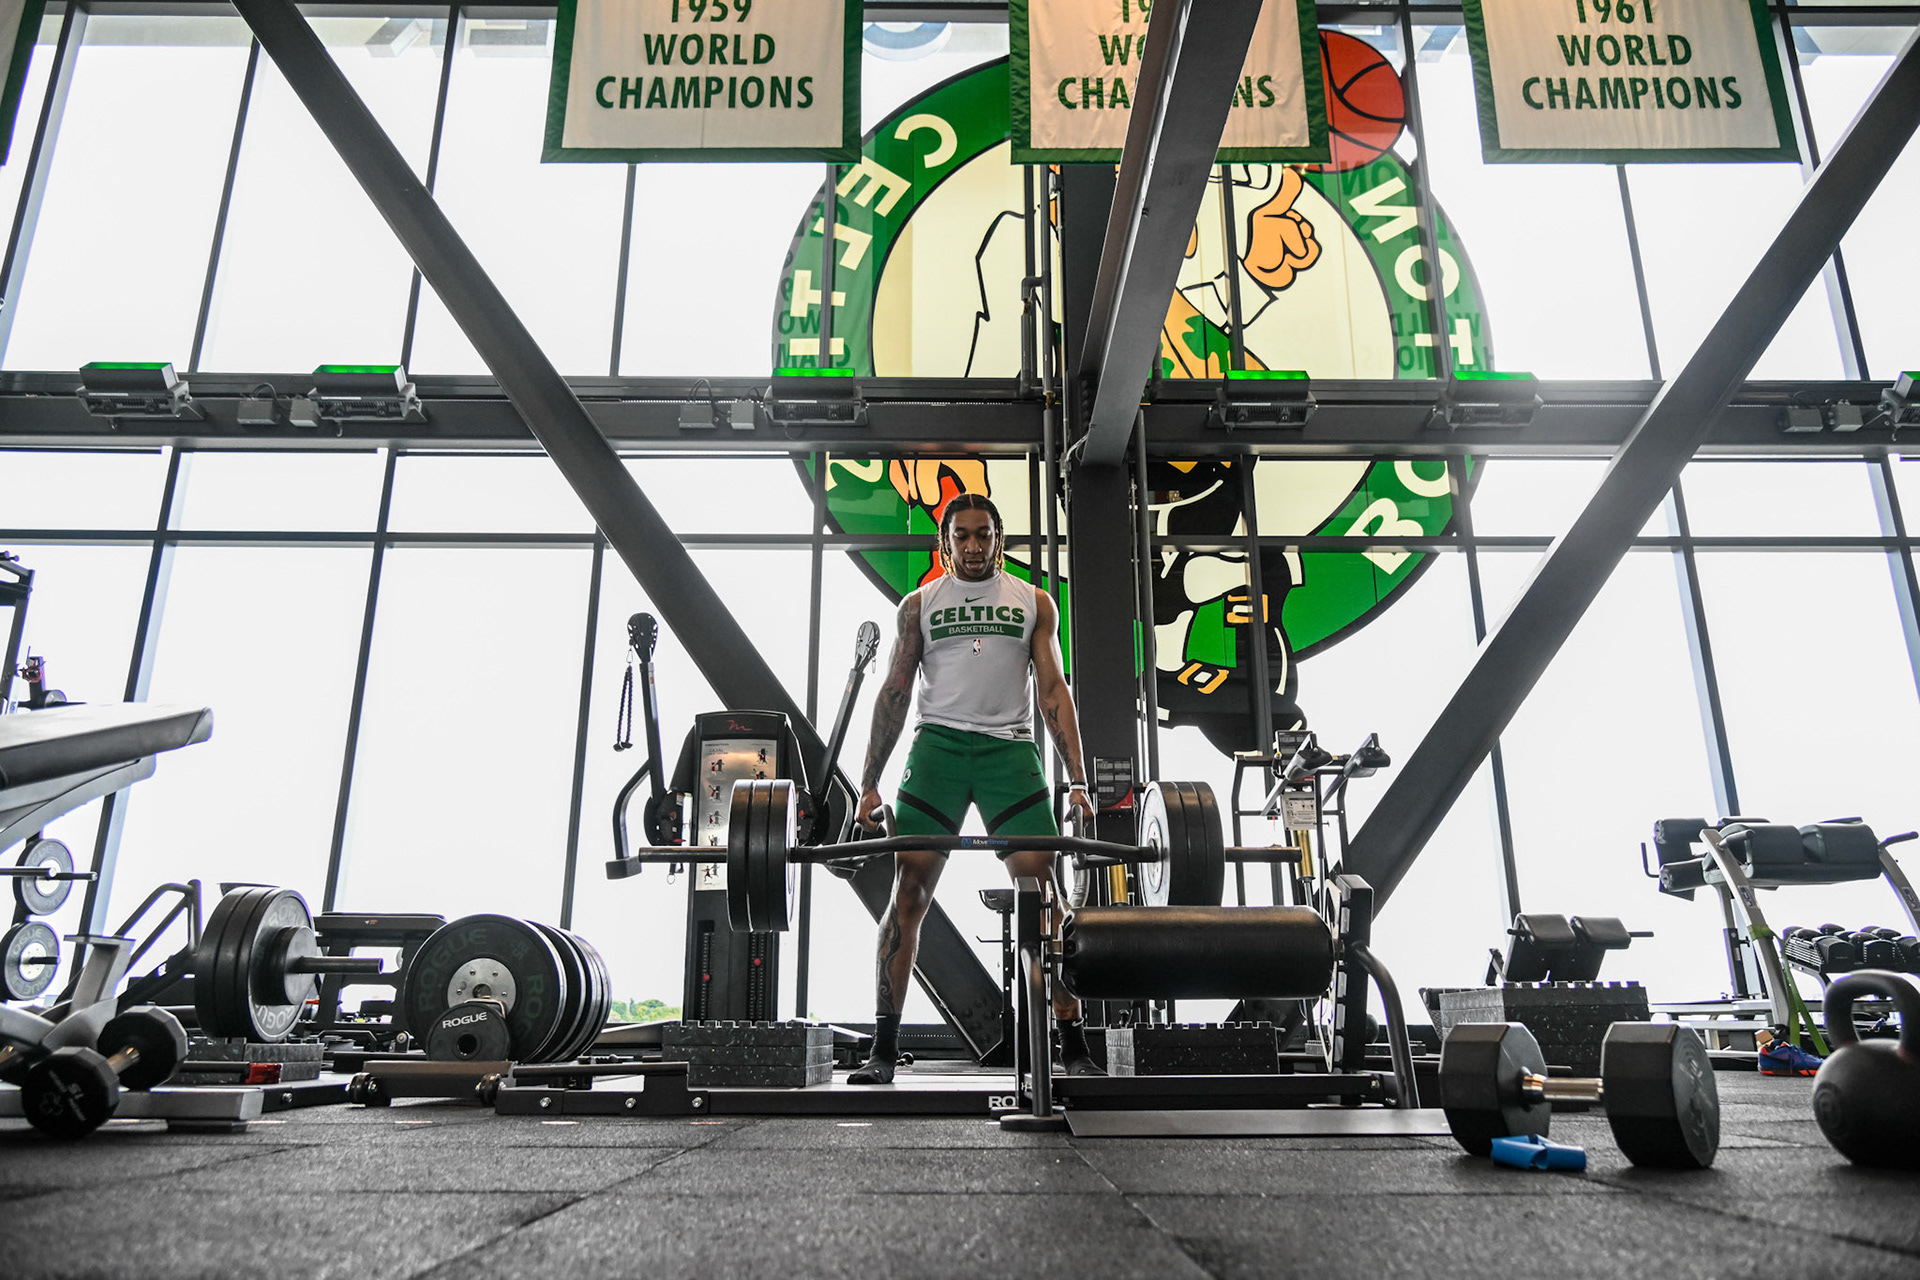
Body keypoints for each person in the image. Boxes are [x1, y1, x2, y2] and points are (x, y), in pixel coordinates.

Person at [849, 493, 1101, 1084]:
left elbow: (1054, 690)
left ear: (999, 540)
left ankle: (1073, 1044)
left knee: (1046, 900)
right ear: (945, 544)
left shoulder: (1033, 603)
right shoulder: (919, 606)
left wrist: (1079, 781)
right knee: (907, 897)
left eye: (982, 535)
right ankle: (883, 1053)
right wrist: (867, 784)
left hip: (1008, 752)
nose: (972, 545)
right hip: (935, 750)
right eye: (960, 536)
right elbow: (893, 692)